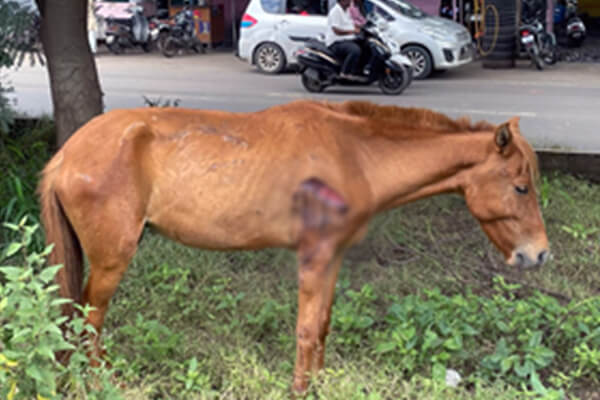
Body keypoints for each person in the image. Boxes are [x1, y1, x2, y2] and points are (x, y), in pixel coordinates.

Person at [326, 0, 362, 80]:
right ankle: (345, 72)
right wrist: (352, 31)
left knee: (364, 45)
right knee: (355, 50)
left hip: (348, 39)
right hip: (336, 41)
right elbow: (336, 30)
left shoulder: (347, 10)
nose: (350, 1)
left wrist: (359, 27)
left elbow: (351, 23)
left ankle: (359, 70)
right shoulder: (336, 11)